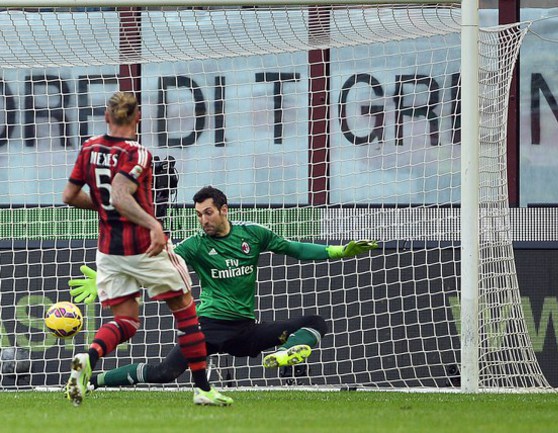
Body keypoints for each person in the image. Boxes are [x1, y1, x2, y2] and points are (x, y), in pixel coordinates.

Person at [68, 185, 377, 390]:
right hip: (207, 327)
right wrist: (108, 279)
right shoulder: (195, 245)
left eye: (208, 212)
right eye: (199, 215)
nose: (203, 220)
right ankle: (93, 381)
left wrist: (338, 251)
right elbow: (156, 266)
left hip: (244, 330)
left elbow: (294, 248)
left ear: (224, 210)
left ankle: (285, 354)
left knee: (316, 322)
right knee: (165, 373)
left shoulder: (253, 234)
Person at [61, 92, 232, 407]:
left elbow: (69, 196)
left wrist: (104, 208)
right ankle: (203, 389)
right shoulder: (137, 153)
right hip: (143, 246)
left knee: (126, 322)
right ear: (137, 118)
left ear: (106, 117)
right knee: (186, 311)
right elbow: (120, 194)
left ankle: (88, 357)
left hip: (108, 251)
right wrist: (152, 224)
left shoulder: (89, 148)